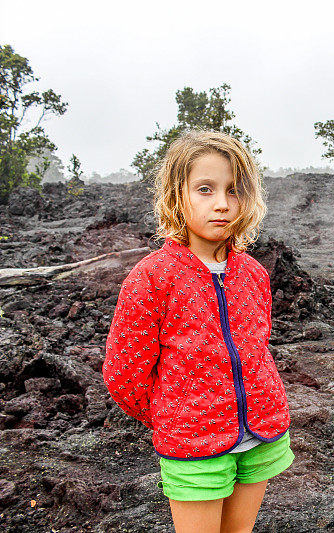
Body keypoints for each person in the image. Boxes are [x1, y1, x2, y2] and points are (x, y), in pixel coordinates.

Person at [103, 129, 293, 533]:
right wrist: (173, 416)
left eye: (233, 189)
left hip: (262, 435)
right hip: (192, 444)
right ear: (177, 195)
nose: (222, 203)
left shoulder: (254, 273)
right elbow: (124, 373)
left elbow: (258, 348)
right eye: (205, 189)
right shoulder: (151, 278)